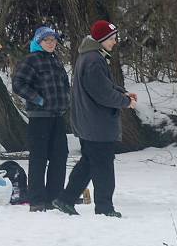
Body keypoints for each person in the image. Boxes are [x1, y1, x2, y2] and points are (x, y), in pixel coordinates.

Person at [51, 20, 136, 218]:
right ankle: (105, 209)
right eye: (112, 39)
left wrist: (123, 93)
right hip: (96, 124)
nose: (115, 42)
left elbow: (104, 86)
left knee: (89, 163)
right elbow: (102, 93)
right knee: (104, 167)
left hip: (91, 123)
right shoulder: (93, 60)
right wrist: (125, 102)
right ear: (102, 40)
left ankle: (65, 199)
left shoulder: (91, 57)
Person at [12, 26, 71, 212]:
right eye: (47, 40)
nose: (51, 43)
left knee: (60, 156)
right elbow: (18, 84)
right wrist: (38, 99)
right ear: (38, 42)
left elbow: (64, 85)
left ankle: (54, 197)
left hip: (58, 116)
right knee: (39, 158)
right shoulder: (31, 60)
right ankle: (37, 200)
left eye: (53, 40)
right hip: (39, 117)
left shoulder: (56, 61)